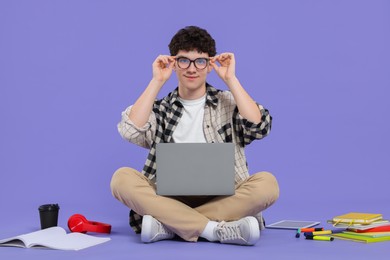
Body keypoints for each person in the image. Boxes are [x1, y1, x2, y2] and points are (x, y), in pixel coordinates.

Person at [110, 26, 279, 246]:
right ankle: (214, 229)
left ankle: (171, 224)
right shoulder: (161, 109)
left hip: (224, 197)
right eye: (184, 60)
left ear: (210, 65)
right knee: (121, 178)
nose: (192, 68)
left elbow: (260, 126)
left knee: (268, 184)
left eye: (200, 61)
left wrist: (231, 79)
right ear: (174, 63)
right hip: (168, 197)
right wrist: (157, 81)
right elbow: (130, 130)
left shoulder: (227, 102)